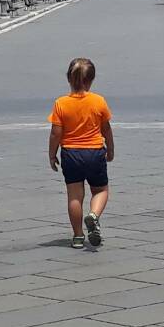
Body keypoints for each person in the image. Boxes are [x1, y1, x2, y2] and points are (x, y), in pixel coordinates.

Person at [48, 58, 114, 249]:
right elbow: (106, 129)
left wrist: (52, 154)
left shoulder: (61, 103)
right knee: (101, 190)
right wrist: (110, 148)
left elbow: (55, 133)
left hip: (71, 154)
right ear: (91, 80)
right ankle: (93, 215)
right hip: (94, 152)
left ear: (69, 78)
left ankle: (77, 236)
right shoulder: (98, 101)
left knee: (74, 196)